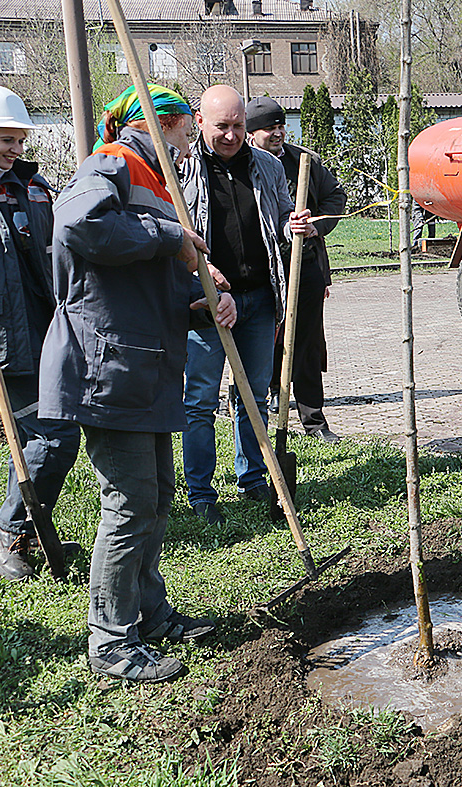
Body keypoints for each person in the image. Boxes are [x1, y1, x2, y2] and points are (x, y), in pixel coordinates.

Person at [40, 84, 237, 682]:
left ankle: (148, 616)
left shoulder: (153, 180)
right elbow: (78, 226)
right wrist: (170, 237)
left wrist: (205, 299)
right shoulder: (114, 164)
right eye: (182, 131)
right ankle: (111, 640)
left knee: (155, 496)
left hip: (145, 368)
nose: (187, 145)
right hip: (108, 368)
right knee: (128, 503)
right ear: (162, 124)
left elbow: (149, 282)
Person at [0, 83, 81, 581]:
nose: (17, 150)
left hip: (46, 327)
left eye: (20, 140)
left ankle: (17, 528)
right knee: (52, 435)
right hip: (0, 335)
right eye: (6, 140)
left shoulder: (31, 185)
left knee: (37, 436)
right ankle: (10, 530)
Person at [180, 86, 313, 526]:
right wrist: (205, 280)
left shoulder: (268, 166)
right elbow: (173, 235)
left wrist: (294, 224)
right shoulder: (181, 168)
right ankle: (200, 492)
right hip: (207, 301)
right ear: (199, 120)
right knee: (199, 399)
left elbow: (278, 218)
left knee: (253, 396)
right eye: (223, 126)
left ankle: (254, 478)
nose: (233, 135)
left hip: (258, 298)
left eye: (239, 126)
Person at [244, 96, 345, 443]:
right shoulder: (245, 164)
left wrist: (317, 225)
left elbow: (336, 197)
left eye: (281, 125)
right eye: (269, 128)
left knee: (306, 344)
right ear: (251, 133)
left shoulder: (305, 161)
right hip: (263, 268)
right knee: (264, 338)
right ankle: (268, 397)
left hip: (305, 265)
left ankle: (314, 422)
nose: (278, 132)